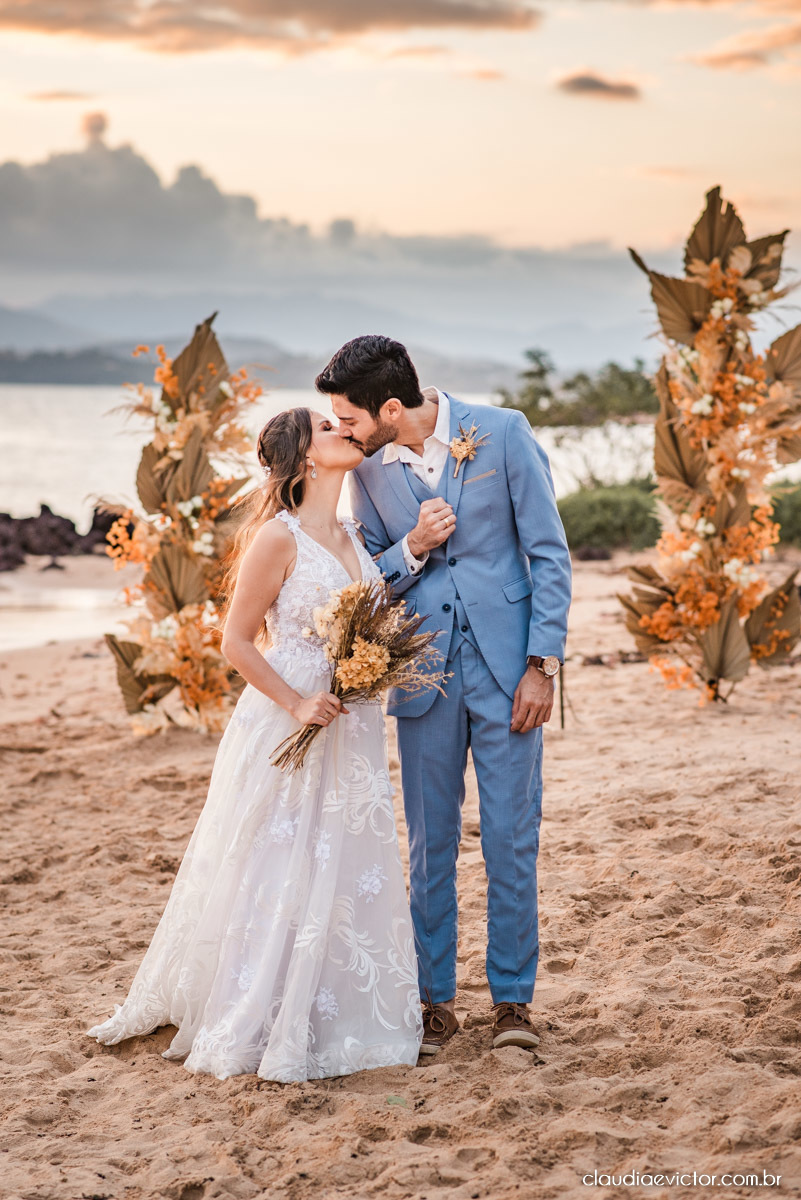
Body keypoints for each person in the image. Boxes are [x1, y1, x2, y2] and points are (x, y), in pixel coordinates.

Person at [87, 408, 423, 1082]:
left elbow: (365, 613)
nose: (344, 429)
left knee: (341, 854)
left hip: (350, 719)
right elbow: (236, 642)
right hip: (288, 714)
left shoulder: (355, 533)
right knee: (277, 855)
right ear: (304, 458)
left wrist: (374, 653)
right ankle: (259, 1005)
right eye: (326, 427)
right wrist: (297, 702)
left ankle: (334, 1005)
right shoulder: (278, 537)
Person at [316, 335, 572, 1055]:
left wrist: (542, 665)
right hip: (422, 678)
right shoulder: (368, 472)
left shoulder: (503, 433)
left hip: (508, 674)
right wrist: (413, 548)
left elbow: (549, 554)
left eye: (350, 418)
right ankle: (434, 1002)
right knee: (430, 846)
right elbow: (367, 577)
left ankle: (513, 1002)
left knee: (510, 838)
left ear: (391, 408)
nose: (342, 431)